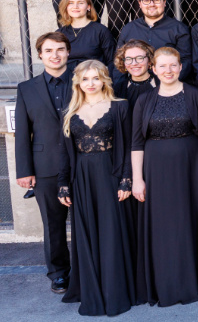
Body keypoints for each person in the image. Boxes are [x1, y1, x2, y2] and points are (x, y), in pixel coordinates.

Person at [132, 47, 198, 306]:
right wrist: (137, 179)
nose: (168, 71)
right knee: (162, 227)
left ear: (181, 67)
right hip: (155, 172)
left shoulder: (195, 96)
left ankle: (192, 280)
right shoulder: (144, 100)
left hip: (190, 168)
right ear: (153, 69)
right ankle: (164, 282)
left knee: (189, 221)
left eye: (173, 65)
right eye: (162, 66)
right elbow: (137, 143)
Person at [56, 61, 135, 315]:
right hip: (82, 179)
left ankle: (115, 290)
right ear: (78, 82)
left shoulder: (120, 107)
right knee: (88, 232)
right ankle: (93, 288)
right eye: (86, 79)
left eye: (96, 78)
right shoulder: (70, 110)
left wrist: (126, 179)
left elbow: (129, 146)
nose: (91, 83)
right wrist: (63, 184)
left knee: (112, 232)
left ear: (105, 80)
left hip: (110, 175)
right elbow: (66, 153)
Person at [14, 33, 73, 295]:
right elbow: (22, 132)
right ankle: (59, 273)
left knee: (86, 221)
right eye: (48, 51)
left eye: (60, 49)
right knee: (53, 224)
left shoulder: (84, 81)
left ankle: (87, 270)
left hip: (82, 162)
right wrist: (25, 170)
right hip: (45, 165)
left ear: (68, 53)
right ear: (40, 54)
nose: (55, 55)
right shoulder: (26, 88)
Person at [116, 0, 193, 81]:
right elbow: (118, 62)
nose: (151, 4)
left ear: (164, 2)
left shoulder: (179, 28)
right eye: (146, 1)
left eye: (156, 0)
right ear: (139, 4)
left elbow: (186, 62)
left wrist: (168, 84)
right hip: (135, 85)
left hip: (167, 86)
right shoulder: (129, 28)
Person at [56, 0, 116, 69]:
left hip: (93, 78)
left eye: (80, 3)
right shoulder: (60, 33)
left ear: (88, 6)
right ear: (66, 7)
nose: (75, 7)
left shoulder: (100, 31)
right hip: (67, 79)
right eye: (71, 3)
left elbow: (113, 61)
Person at [113, 39, 158, 108]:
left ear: (149, 60)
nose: (134, 63)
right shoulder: (117, 89)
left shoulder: (162, 86)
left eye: (139, 58)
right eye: (128, 59)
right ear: (124, 63)